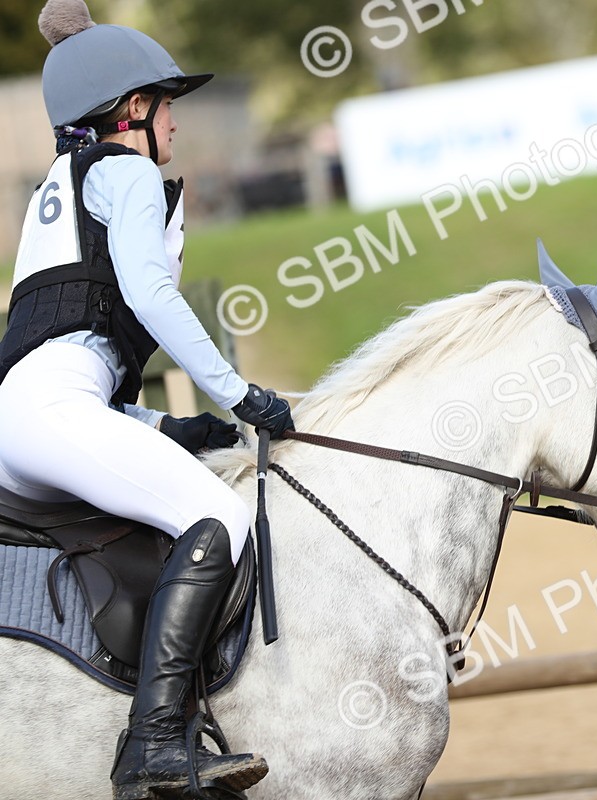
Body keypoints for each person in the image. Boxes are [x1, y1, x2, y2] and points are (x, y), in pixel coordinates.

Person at [0, 1, 292, 797]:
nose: (176, 124)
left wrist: (172, 424)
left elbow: (67, 354)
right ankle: (154, 742)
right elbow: (152, 297)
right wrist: (240, 397)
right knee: (218, 520)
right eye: (170, 106)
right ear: (135, 108)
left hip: (30, 414)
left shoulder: (57, 187)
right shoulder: (127, 171)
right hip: (48, 414)